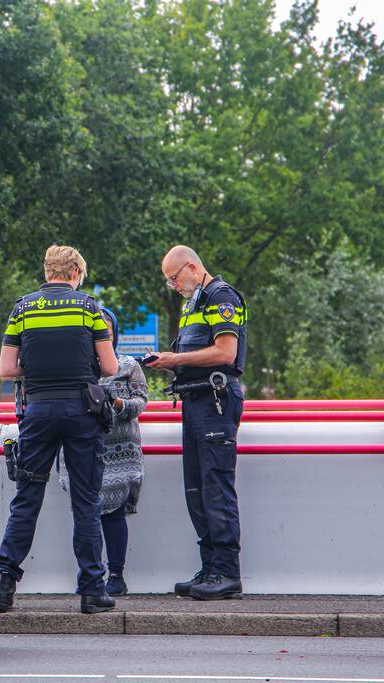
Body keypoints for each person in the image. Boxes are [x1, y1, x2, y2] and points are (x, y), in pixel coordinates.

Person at [0, 245, 119, 615]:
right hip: (81, 410)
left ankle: (4, 584)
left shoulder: (22, 309)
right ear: (76, 272)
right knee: (86, 501)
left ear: (47, 271)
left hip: (38, 411)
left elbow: (6, 369)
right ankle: (92, 590)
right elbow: (110, 367)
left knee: (27, 497)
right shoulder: (89, 307)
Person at [146, 245, 248, 600]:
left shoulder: (221, 297)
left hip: (216, 401)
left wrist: (176, 357)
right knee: (197, 489)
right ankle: (210, 567)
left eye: (174, 278)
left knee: (216, 486)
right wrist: (171, 361)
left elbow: (225, 352)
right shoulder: (193, 303)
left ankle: (227, 572)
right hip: (196, 399)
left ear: (192, 267)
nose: (173, 285)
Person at [58, 308, 147, 596]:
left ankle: (117, 576)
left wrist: (117, 404)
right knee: (87, 513)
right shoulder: (76, 366)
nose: (103, 336)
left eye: (107, 331)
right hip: (82, 447)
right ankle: (90, 575)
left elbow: (141, 402)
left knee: (114, 513)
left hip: (120, 452)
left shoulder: (129, 365)